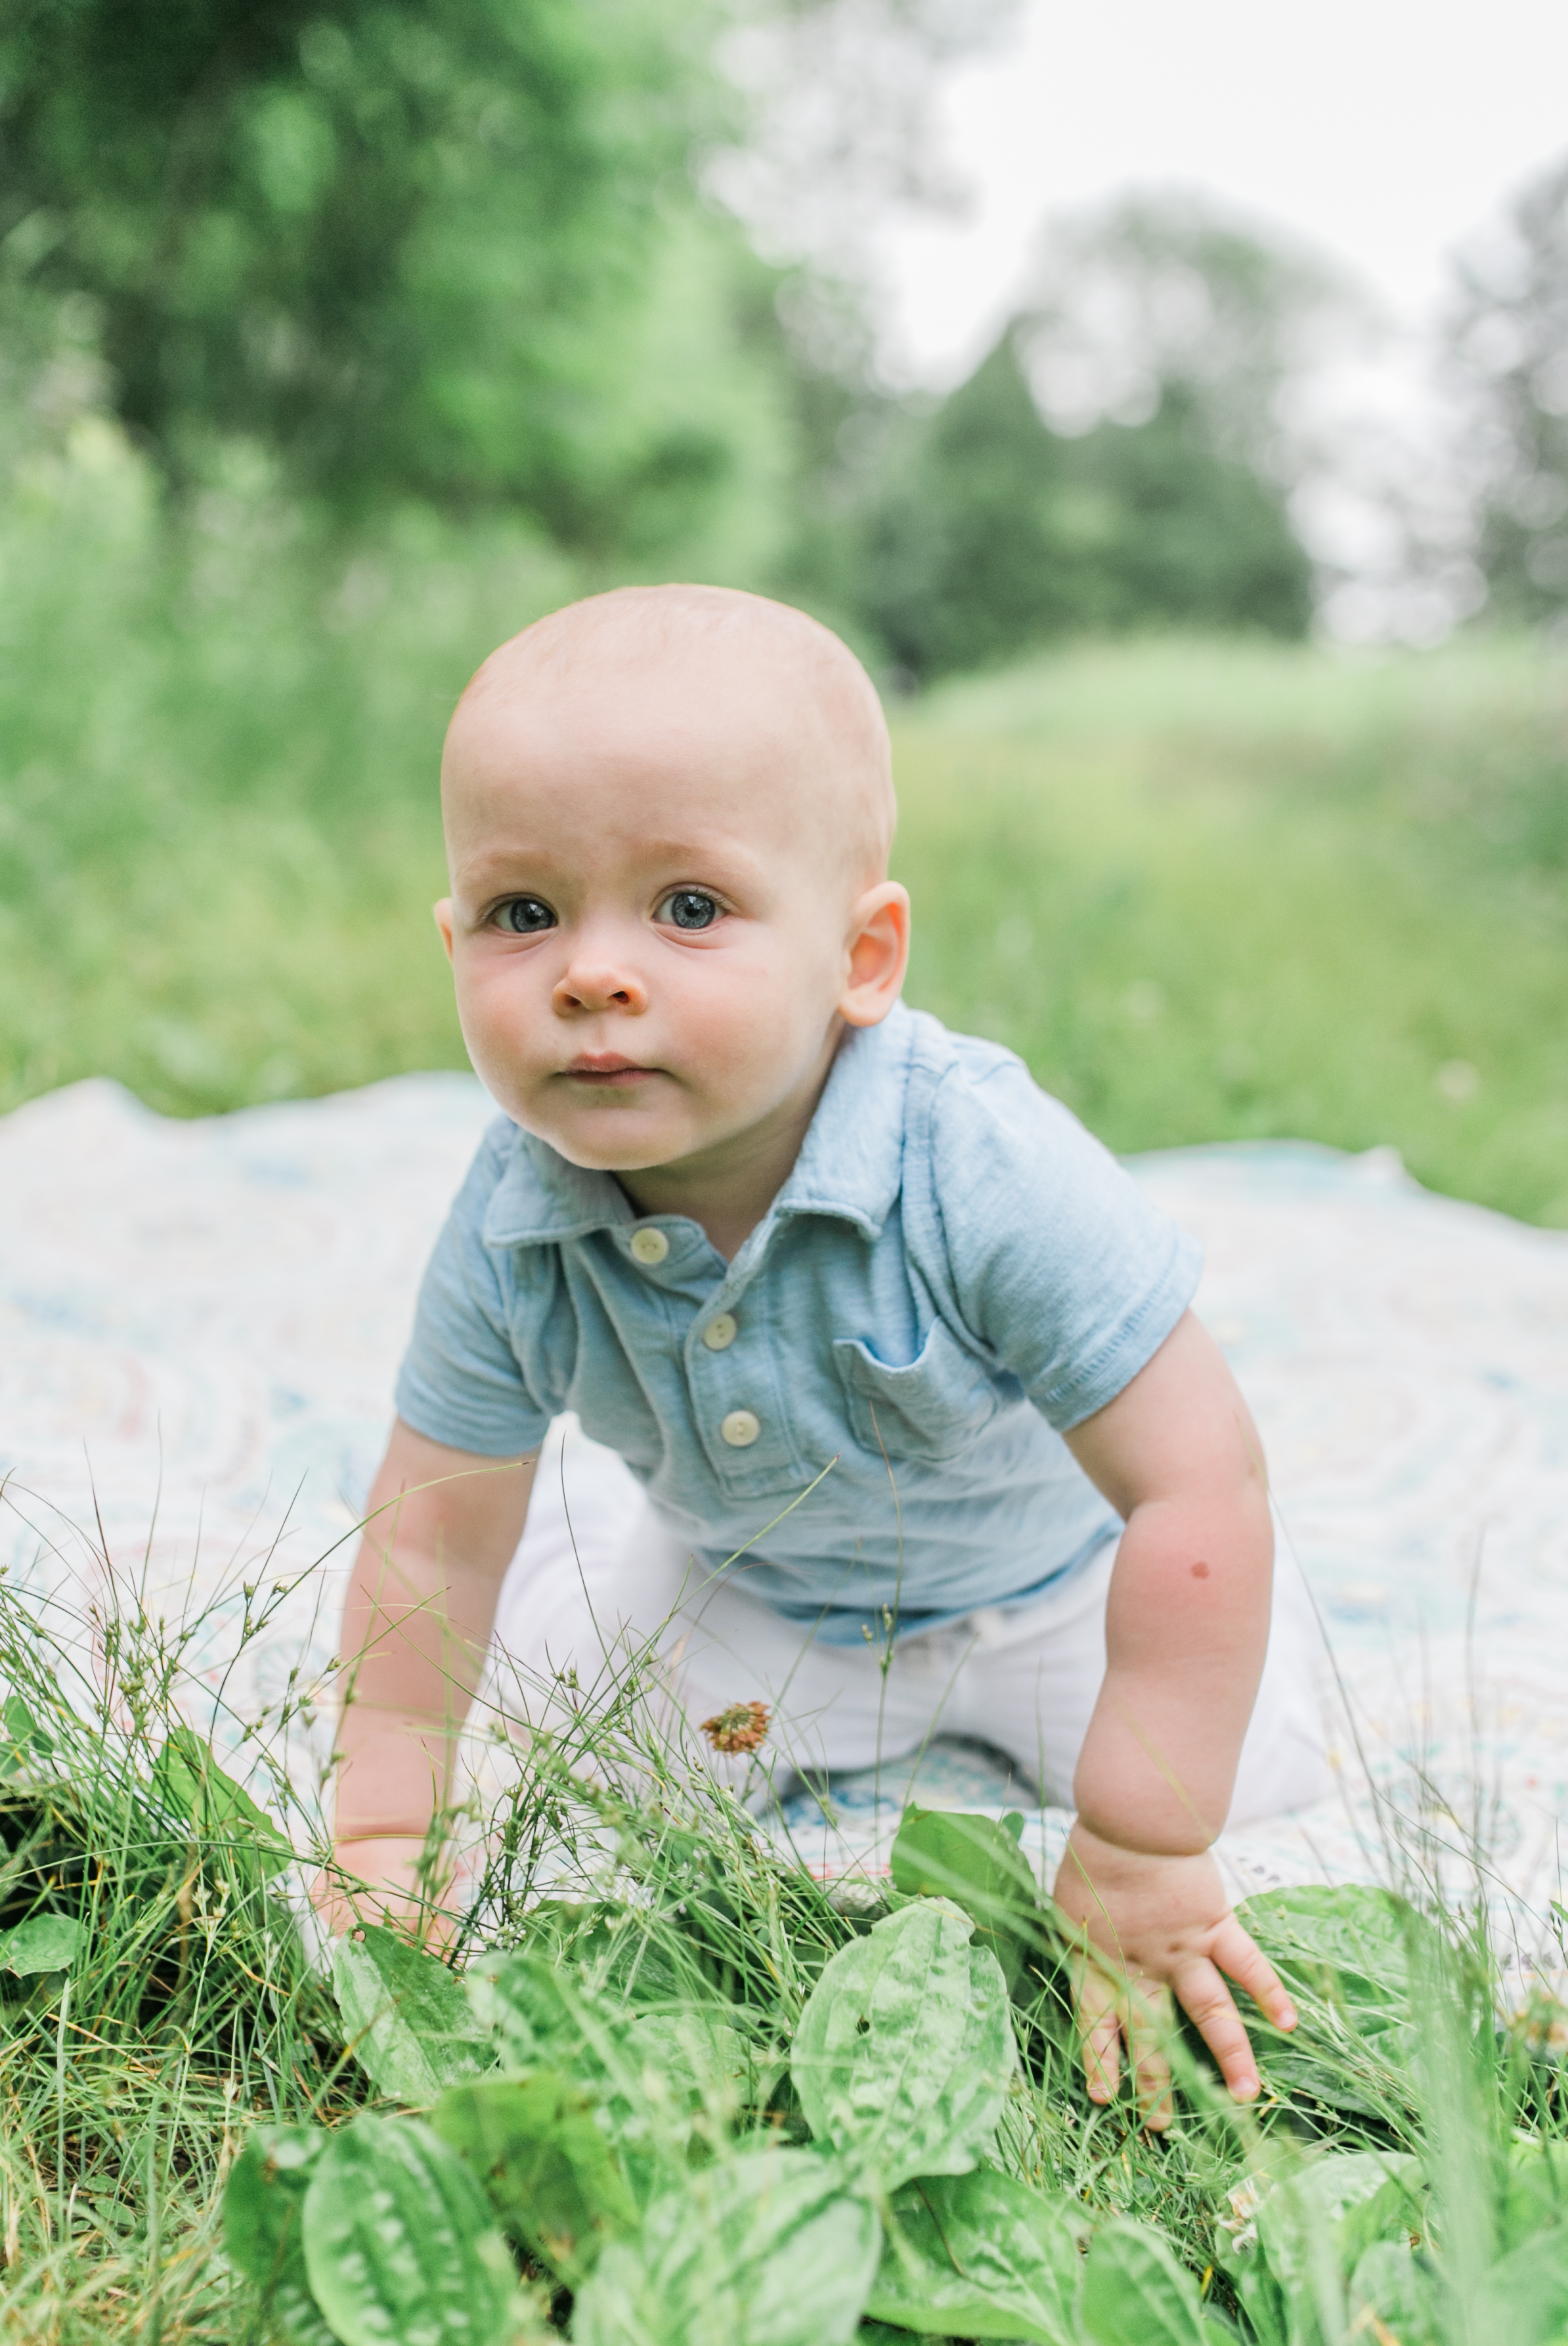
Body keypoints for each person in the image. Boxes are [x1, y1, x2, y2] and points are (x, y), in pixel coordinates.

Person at [325, 582, 1328, 2122]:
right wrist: (382, 1828)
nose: (593, 972)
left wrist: (1140, 1837)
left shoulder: (974, 1161)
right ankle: (607, 1587)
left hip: (1050, 1595)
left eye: (688, 907)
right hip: (759, 1590)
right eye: (527, 915)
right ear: (455, 941)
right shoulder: (515, 1219)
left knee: (1254, 1776)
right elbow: (435, 1534)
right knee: (572, 1774)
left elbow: (1201, 1486)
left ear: (863, 956)